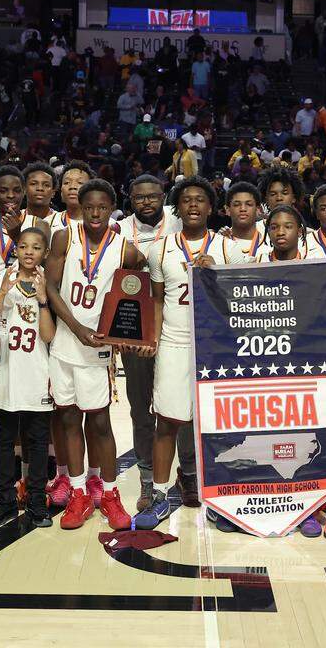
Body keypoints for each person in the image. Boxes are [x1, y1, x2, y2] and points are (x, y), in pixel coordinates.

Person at [134, 177, 246, 529]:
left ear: (212, 208)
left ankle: (219, 500)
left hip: (217, 347)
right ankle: (160, 496)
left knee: (216, 427)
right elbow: (156, 299)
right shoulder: (160, 248)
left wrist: (220, 275)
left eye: (200, 200)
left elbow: (242, 300)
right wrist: (152, 337)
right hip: (174, 343)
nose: (193, 205)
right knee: (167, 421)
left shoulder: (230, 249)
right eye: (186, 200)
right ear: (177, 209)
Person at [44, 179, 145, 530]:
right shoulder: (64, 238)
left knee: (99, 422)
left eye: (103, 207)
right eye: (90, 207)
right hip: (65, 342)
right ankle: (76, 492)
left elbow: (139, 288)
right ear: (81, 208)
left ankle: (111, 493)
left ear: (112, 208)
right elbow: (51, 288)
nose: (96, 212)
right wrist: (74, 327)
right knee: (69, 418)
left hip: (99, 347)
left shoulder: (125, 249)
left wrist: (124, 331)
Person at [0, 225, 57, 527]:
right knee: (4, 438)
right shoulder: (2, 277)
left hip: (37, 370)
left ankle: (37, 499)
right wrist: (1, 294)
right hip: (7, 369)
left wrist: (41, 300)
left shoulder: (47, 283)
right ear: (15, 249)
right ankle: (4, 500)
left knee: (38, 440)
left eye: (36, 247)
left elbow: (49, 335)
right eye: (23, 246)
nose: (28, 252)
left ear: (45, 253)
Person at [116, 174, 183, 510]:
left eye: (152, 196)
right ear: (130, 198)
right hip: (133, 328)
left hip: (174, 328)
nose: (146, 202)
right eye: (139, 197)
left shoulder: (179, 222)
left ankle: (188, 475)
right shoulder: (119, 230)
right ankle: (146, 482)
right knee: (141, 408)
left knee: (180, 408)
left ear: (163, 196)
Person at [224, 182, 270, 261]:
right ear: (227, 210)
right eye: (237, 204)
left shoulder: (271, 242)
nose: (243, 209)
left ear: (258, 210)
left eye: (249, 204)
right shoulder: (219, 243)